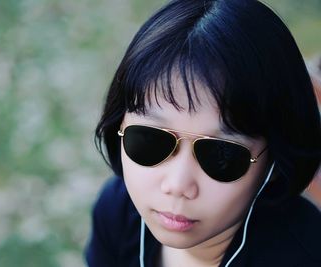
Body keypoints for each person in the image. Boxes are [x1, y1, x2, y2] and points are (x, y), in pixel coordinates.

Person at [85, 0, 321, 266]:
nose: (177, 185)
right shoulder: (117, 210)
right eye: (150, 139)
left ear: (276, 160)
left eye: (222, 154)